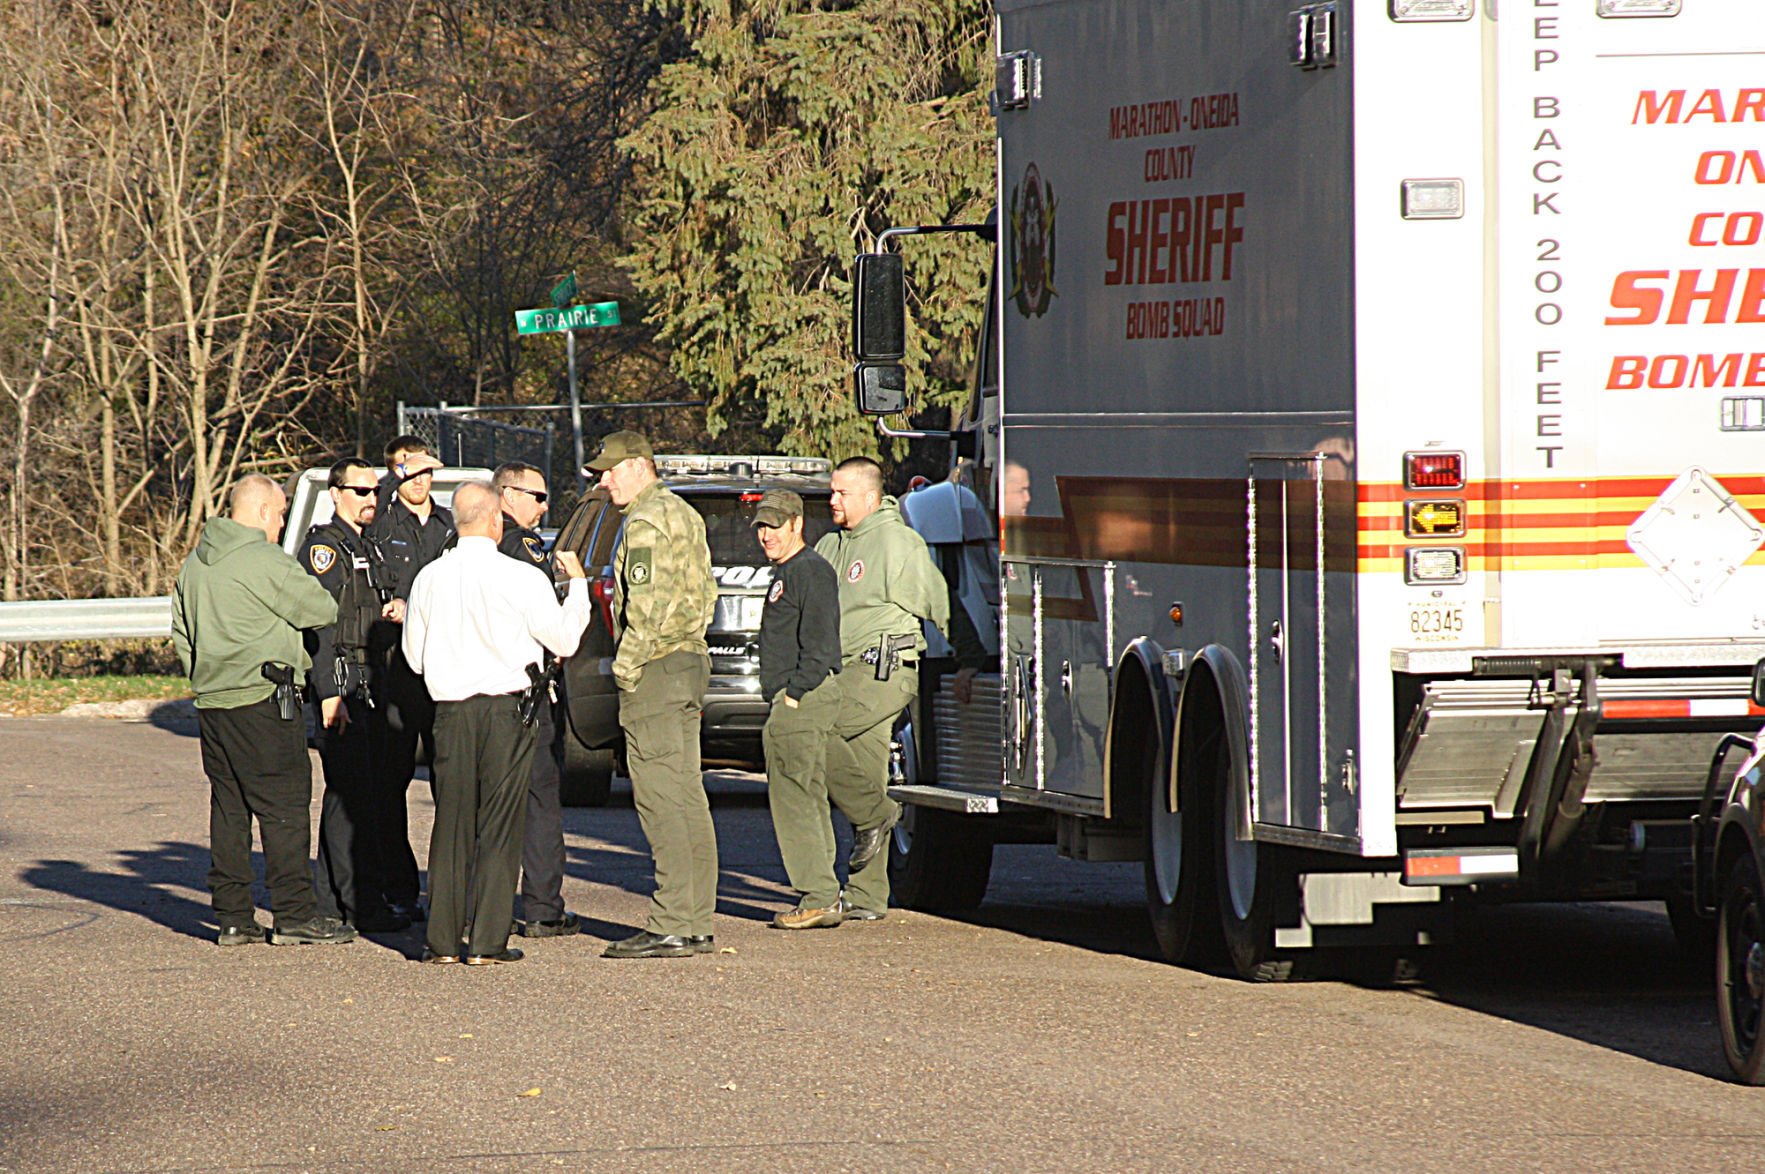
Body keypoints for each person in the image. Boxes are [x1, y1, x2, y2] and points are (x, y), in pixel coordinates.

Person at [401, 482, 592, 965]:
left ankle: (441, 940)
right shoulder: (521, 576)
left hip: (451, 711)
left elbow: (414, 659)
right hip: (508, 710)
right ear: (495, 520)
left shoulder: (429, 577)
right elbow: (565, 640)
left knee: (452, 823)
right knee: (501, 824)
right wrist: (579, 590)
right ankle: (487, 942)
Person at [170, 474, 355, 948]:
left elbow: (181, 634)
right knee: (285, 808)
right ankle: (294, 913)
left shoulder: (194, 564)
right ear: (261, 513)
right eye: (280, 513)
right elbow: (320, 608)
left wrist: (209, 676)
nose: (281, 523)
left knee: (229, 809)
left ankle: (233, 917)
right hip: (265, 698)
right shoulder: (264, 559)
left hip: (214, 702)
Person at [587, 431, 719, 960]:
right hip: (688, 660)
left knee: (661, 797)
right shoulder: (684, 513)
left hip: (657, 667)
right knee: (687, 795)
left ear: (640, 466)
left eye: (611, 469)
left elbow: (645, 605)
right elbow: (706, 593)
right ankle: (694, 920)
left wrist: (626, 667)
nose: (603, 479)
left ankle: (671, 921)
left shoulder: (643, 521)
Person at [815, 456, 950, 921]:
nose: (832, 500)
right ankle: (868, 895)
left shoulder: (897, 542)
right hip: (839, 671)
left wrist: (969, 662)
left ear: (870, 498)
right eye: (831, 492)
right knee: (868, 774)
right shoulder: (831, 544)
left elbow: (938, 601)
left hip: (882, 669)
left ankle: (875, 815)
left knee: (811, 732)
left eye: (841, 493)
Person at [297, 458, 408, 933]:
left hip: (373, 683)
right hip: (344, 685)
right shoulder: (325, 548)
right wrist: (328, 692)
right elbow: (318, 625)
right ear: (337, 493)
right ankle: (347, 903)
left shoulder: (368, 545)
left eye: (375, 490)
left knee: (367, 796)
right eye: (361, 491)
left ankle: (352, 897)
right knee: (350, 797)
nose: (371, 499)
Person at [365, 436, 453, 922]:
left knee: (449, 781)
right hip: (394, 668)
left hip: (441, 668)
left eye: (427, 473)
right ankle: (398, 887)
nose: (421, 481)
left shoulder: (446, 525)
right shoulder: (381, 520)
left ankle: (447, 890)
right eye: (412, 472)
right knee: (391, 782)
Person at [751, 490, 847, 929]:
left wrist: (794, 693)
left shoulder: (809, 570)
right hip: (795, 697)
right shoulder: (787, 571)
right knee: (805, 795)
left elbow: (822, 643)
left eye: (775, 525)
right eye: (761, 526)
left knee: (794, 799)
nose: (767, 535)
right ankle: (823, 893)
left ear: (797, 524)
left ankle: (819, 896)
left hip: (802, 700)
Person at [491, 461, 579, 939]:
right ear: (507, 495)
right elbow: (545, 614)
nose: (545, 506)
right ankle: (542, 907)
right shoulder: (521, 545)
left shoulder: (461, 544)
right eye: (537, 496)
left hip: (475, 693)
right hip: (523, 690)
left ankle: (483, 905)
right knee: (539, 799)